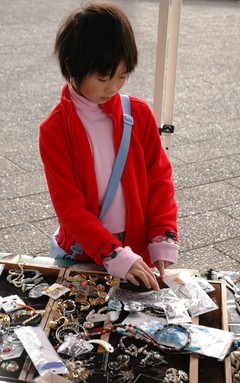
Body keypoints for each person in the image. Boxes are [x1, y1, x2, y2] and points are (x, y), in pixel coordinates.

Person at [39, 2, 179, 291]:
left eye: (122, 76)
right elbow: (69, 208)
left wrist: (162, 234)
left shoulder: (137, 114)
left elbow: (159, 179)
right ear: (71, 67)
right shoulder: (55, 129)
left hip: (136, 250)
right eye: (103, 78)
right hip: (87, 251)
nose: (112, 88)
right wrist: (111, 252)